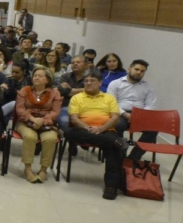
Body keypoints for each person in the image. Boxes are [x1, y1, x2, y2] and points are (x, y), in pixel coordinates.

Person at [66, 71, 127, 200]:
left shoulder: (109, 98)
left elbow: (115, 117)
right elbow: (74, 119)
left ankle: (111, 187)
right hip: (83, 130)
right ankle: (115, 141)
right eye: (86, 81)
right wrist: (88, 128)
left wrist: (101, 128)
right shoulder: (77, 98)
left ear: (100, 83)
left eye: (92, 80)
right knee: (69, 133)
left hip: (106, 129)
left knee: (114, 150)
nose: (88, 83)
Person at [14, 67, 62, 183]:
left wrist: (42, 121)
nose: (36, 77)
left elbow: (55, 112)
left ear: (48, 79)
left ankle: (44, 170)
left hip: (47, 123)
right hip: (25, 122)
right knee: (30, 137)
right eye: (35, 75)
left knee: (50, 138)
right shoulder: (25, 90)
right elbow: (20, 109)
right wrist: (33, 119)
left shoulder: (55, 93)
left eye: (40, 76)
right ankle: (28, 169)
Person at [108, 59, 159, 160]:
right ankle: (120, 156)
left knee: (153, 129)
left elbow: (151, 104)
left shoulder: (148, 87)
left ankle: (133, 158)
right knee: (117, 125)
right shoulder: (115, 84)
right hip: (120, 113)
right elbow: (111, 103)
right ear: (130, 68)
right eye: (137, 69)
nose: (139, 72)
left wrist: (140, 115)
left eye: (142, 71)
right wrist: (124, 114)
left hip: (140, 114)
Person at [56, 55, 92, 130]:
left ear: (86, 65)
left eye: (78, 62)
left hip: (86, 107)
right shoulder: (65, 76)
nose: (75, 64)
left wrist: (71, 89)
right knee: (64, 121)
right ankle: (70, 138)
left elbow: (92, 91)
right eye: (73, 62)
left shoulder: (91, 77)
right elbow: (63, 91)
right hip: (67, 106)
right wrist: (84, 90)